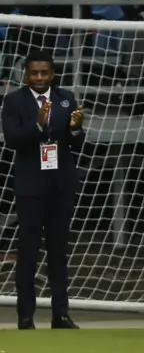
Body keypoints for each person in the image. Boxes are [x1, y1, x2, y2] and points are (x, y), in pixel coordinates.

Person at [1, 50, 84, 330]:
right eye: (34, 73)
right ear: (26, 75)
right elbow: (12, 139)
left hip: (61, 184)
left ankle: (60, 314)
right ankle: (26, 316)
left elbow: (76, 142)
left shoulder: (66, 98)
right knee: (28, 251)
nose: (39, 78)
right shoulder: (13, 101)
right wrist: (37, 123)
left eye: (44, 73)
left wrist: (75, 129)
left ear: (52, 74)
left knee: (58, 251)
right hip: (30, 186)